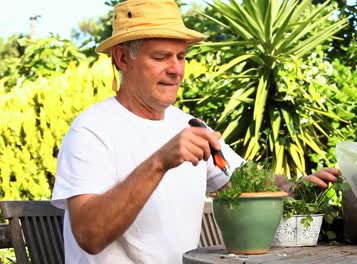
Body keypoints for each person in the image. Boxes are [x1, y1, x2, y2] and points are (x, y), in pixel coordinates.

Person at [51, 0, 340, 263]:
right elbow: (89, 235)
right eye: (161, 57)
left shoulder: (188, 125)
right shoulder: (91, 131)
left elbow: (244, 182)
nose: (176, 70)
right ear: (122, 59)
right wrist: (159, 162)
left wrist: (295, 187)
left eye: (181, 56)